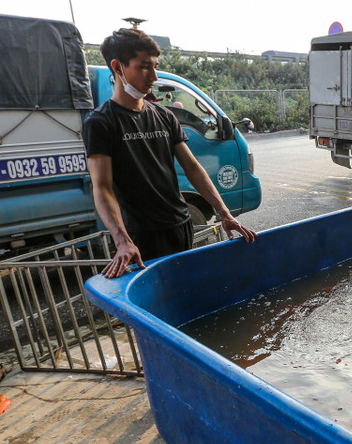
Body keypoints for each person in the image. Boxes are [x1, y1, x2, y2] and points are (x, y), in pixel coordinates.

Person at [82, 28, 256, 279]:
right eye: (144, 67)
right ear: (118, 67)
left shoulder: (164, 116)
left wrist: (224, 213)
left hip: (181, 224)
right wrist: (122, 241)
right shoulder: (101, 123)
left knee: (186, 288)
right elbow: (102, 187)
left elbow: (193, 168)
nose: (153, 76)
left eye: (155, 67)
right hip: (141, 236)